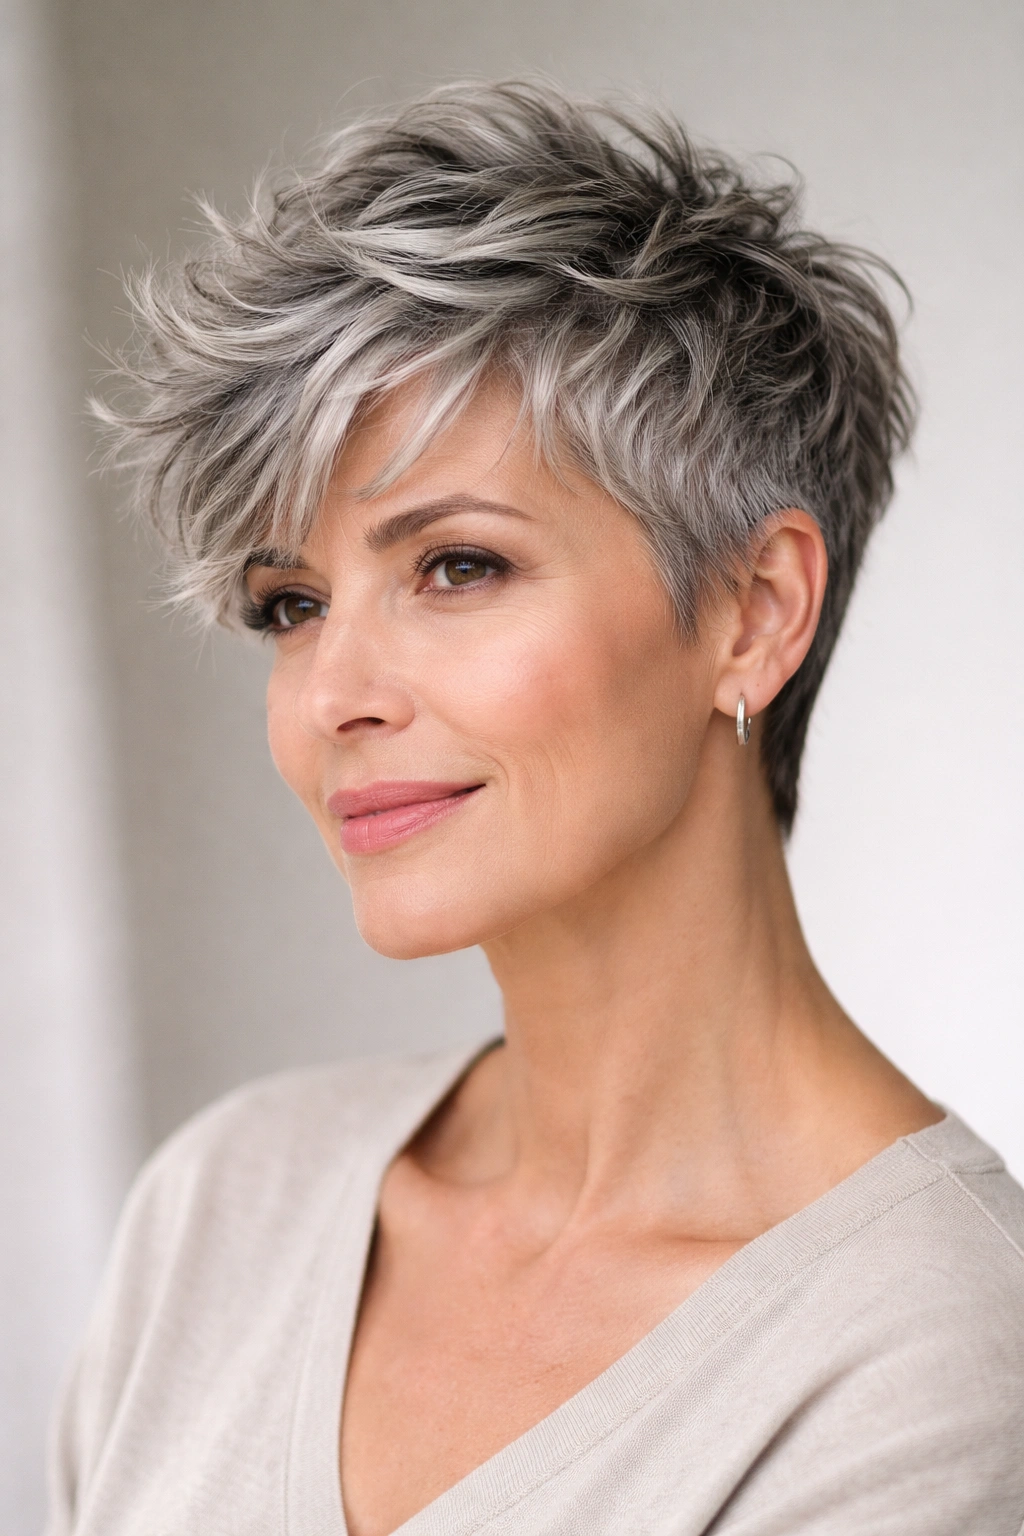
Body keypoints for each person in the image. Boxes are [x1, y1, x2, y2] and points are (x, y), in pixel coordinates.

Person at [47, 81, 1024, 1536]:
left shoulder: (928, 1362)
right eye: (292, 603)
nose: (333, 695)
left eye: (455, 566)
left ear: (755, 613)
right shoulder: (224, 1205)